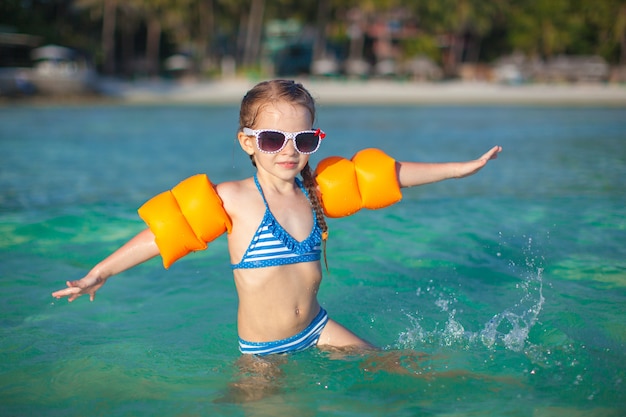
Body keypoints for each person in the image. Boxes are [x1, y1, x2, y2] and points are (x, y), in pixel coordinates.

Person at [52, 79, 502, 357]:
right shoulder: (233, 199)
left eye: (302, 137)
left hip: (318, 328)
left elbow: (391, 176)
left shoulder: (318, 191)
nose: (289, 150)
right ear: (248, 142)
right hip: (264, 352)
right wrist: (99, 272)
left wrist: (459, 169)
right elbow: (163, 234)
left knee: (405, 366)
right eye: (272, 138)